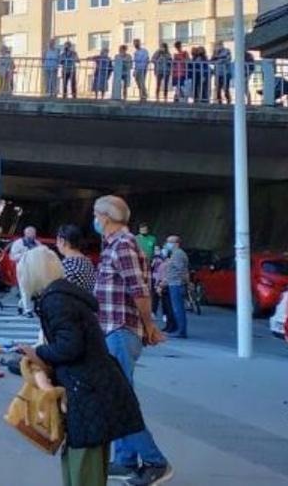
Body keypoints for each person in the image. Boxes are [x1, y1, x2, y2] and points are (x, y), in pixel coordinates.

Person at [16, 248, 146, 486]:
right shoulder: (66, 296)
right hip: (95, 385)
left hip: (86, 389)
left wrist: (39, 353)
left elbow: (70, 347)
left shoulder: (55, 301)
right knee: (87, 461)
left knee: (83, 465)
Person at [91, 195, 173, 485]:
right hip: (115, 330)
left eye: (96, 215)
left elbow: (139, 290)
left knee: (121, 400)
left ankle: (155, 461)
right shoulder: (114, 245)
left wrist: (149, 325)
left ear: (107, 217)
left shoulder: (123, 245)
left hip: (120, 331)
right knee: (119, 398)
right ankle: (126, 460)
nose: (95, 220)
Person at [159, 236, 189, 339]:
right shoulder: (175, 254)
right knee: (176, 308)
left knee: (178, 308)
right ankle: (179, 330)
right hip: (173, 283)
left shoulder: (178, 254)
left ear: (176, 243)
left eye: (169, 242)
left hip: (176, 283)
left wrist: (167, 280)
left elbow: (180, 270)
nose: (167, 244)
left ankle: (181, 331)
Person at [54, 224, 96, 294]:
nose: (56, 245)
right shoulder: (88, 262)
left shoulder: (67, 266)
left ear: (62, 241)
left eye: (57, 241)